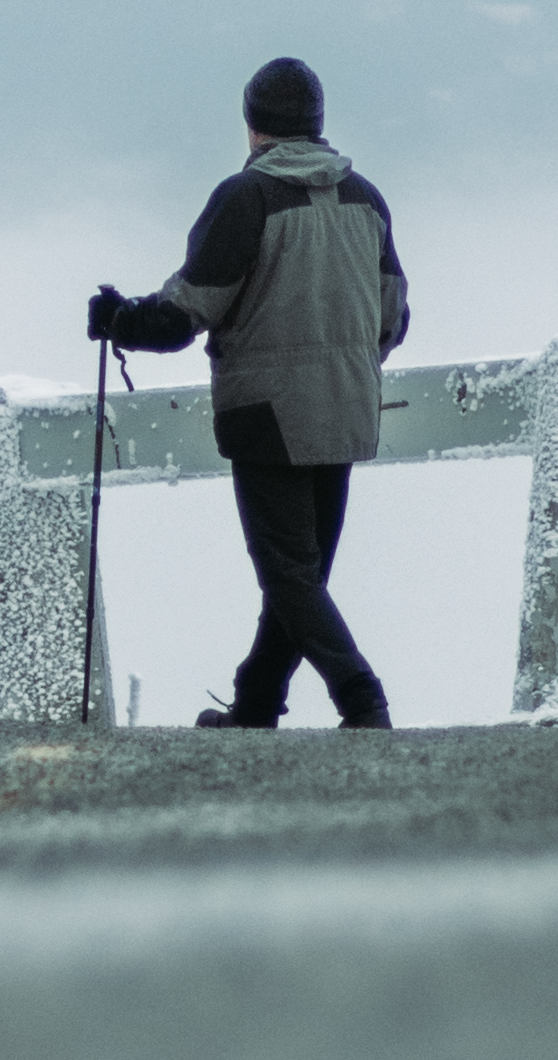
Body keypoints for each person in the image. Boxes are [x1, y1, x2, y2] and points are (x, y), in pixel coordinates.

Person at [95, 57, 412, 731]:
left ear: (253, 127)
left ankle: (363, 700)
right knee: (300, 576)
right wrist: (348, 362)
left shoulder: (246, 200)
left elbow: (186, 314)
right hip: (347, 406)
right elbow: (394, 317)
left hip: (266, 413)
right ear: (317, 125)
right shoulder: (366, 199)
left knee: (288, 576)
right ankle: (258, 702)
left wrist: (120, 320)